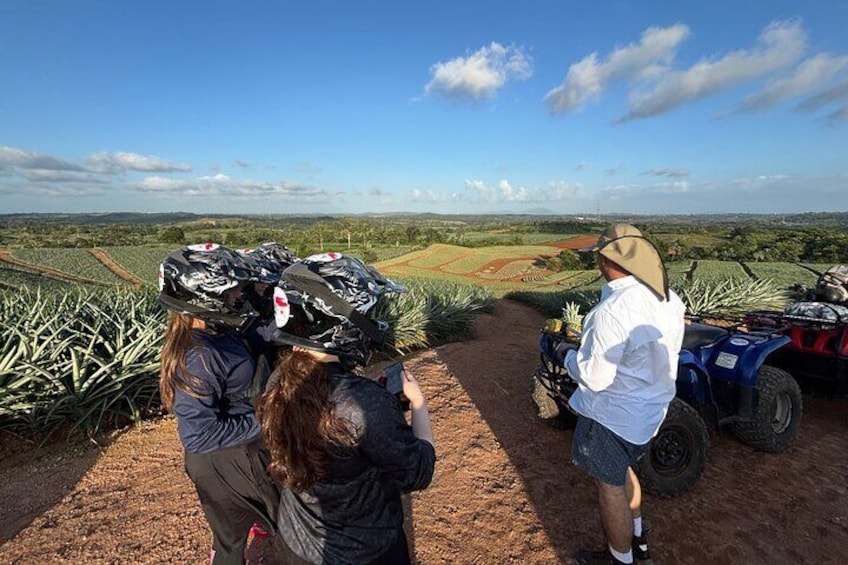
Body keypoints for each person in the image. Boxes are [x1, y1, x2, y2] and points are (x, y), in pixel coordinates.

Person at [257, 253, 436, 565]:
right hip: (363, 552)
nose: (371, 322)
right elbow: (419, 471)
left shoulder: (278, 379)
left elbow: (334, 424)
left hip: (298, 542)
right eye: (366, 313)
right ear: (336, 323)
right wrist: (418, 405)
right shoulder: (364, 401)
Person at [562, 224, 685, 565]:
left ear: (605, 260)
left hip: (613, 416)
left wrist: (568, 356)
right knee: (624, 470)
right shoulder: (669, 298)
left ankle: (620, 559)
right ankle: (638, 540)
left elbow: (594, 378)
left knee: (609, 485)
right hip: (649, 412)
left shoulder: (611, 312)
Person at [158, 243, 281, 565]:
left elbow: (257, 341)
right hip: (230, 458)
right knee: (293, 527)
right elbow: (197, 435)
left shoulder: (214, 333)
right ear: (204, 297)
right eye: (233, 288)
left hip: (222, 460)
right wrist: (269, 418)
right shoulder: (201, 355)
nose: (239, 293)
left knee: (228, 540)